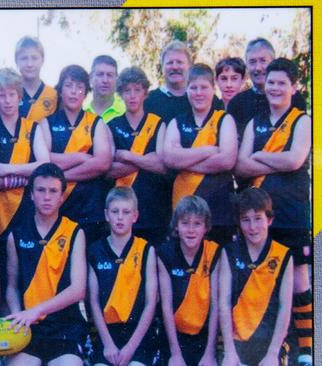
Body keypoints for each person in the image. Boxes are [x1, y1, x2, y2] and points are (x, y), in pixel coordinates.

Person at [235, 58, 312, 366]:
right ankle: (272, 347)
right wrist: (272, 158)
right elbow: (240, 165)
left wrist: (260, 155)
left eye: (282, 83)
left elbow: (295, 160)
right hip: (259, 214)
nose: (275, 88)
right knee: (264, 280)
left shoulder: (302, 120)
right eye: (271, 82)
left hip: (292, 212)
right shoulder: (255, 121)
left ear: (293, 87)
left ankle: (305, 349)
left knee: (298, 280)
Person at [4, 163, 87, 366]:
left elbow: (78, 290)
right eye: (41, 190)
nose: (47, 197)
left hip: (65, 326)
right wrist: (19, 317)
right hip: (30, 328)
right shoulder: (17, 234)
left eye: (53, 191)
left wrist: (36, 311)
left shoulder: (74, 232)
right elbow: (12, 286)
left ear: (62, 196)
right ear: (31, 194)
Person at [0, 67, 50, 309]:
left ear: (20, 96)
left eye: (12, 94)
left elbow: (44, 166)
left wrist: (8, 169)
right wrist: (26, 174)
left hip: (28, 210)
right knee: (3, 273)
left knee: (27, 270)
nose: (7, 100)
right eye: (1, 95)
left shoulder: (32, 128)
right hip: (0, 213)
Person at [163, 63, 238, 245]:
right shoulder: (177, 122)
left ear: (213, 89)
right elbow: (169, 158)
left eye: (204, 87)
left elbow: (227, 160)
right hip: (183, 206)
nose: (198, 93)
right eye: (193, 87)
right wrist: (209, 151)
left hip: (218, 206)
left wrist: (184, 160)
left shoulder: (224, 119)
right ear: (187, 90)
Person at [219, 187, 293, 366]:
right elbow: (223, 302)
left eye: (258, 218)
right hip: (235, 343)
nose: (252, 227)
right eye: (246, 220)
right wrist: (229, 351)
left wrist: (272, 354)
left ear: (270, 219)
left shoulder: (283, 255)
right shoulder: (229, 252)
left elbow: (285, 308)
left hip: (269, 345)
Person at [39, 64, 111, 244]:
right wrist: (80, 158)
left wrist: (61, 176)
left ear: (86, 92)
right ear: (60, 90)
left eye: (79, 87)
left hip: (90, 210)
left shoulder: (96, 122)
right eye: (68, 86)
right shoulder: (46, 123)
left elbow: (102, 162)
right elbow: (44, 160)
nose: (73, 92)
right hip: (57, 209)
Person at [86, 187, 157, 366]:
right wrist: (108, 344)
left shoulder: (146, 250)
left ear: (135, 216)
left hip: (138, 337)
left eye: (126, 212)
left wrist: (131, 347)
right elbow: (93, 301)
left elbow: (151, 303)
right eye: (114, 211)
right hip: (107, 336)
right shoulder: (95, 251)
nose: (119, 217)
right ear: (106, 214)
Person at [106, 66, 170, 244]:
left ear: (145, 92)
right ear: (121, 94)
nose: (132, 95)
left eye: (137, 90)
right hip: (121, 211)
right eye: (127, 91)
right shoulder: (112, 125)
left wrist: (128, 157)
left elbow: (163, 166)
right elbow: (109, 170)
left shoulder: (158, 124)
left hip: (154, 209)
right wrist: (146, 160)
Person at [157, 195, 220, 366]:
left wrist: (210, 353)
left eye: (197, 224)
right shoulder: (165, 254)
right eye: (185, 223)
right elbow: (166, 306)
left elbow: (216, 305)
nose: (191, 230)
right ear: (176, 226)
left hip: (205, 338)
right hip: (174, 338)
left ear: (206, 227)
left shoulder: (214, 253)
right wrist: (175, 354)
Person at [227, 38, 307, 136]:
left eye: (263, 61)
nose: (258, 68)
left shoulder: (294, 98)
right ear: (246, 65)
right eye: (252, 62)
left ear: (273, 62)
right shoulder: (237, 104)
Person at [13, 36, 57, 122]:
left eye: (34, 58)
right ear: (16, 61)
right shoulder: (9, 94)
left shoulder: (53, 95)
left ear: (42, 60)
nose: (29, 64)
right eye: (24, 58)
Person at [85, 55, 126, 123]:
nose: (105, 80)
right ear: (90, 78)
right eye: (100, 74)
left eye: (110, 75)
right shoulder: (82, 113)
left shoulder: (127, 111)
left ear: (117, 79)